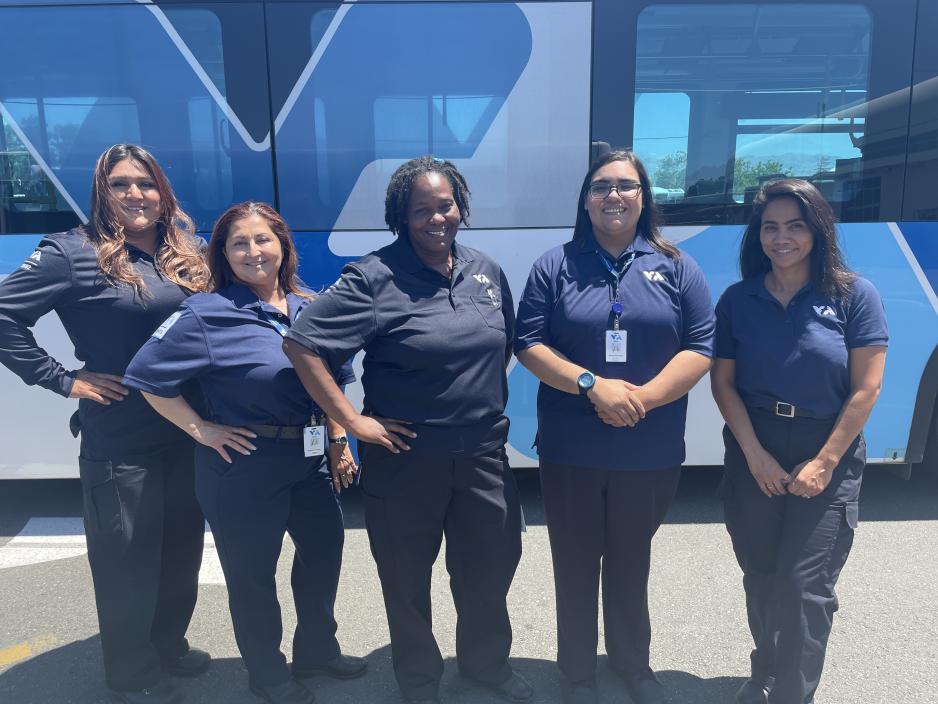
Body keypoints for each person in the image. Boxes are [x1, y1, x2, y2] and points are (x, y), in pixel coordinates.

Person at [281, 156, 531, 704]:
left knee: (489, 571)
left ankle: (486, 666)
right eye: (422, 210)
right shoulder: (374, 277)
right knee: (406, 582)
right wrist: (350, 420)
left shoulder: (485, 270)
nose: (437, 218)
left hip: (484, 457)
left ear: (460, 206)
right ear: (401, 215)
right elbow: (302, 343)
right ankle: (419, 682)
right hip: (407, 461)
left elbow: (504, 344)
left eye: (446, 206)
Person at [122, 202, 366, 704]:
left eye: (263, 240)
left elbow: (335, 385)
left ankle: (317, 650)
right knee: (253, 575)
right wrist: (202, 429)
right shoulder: (205, 313)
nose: (254, 252)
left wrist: (340, 440)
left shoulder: (308, 306)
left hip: (310, 457)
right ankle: (268, 673)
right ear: (224, 254)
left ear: (283, 245)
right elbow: (146, 376)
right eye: (240, 243)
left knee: (323, 555)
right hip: (242, 466)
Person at [0, 144, 211, 704]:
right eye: (121, 185)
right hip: (122, 436)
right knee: (127, 560)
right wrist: (63, 379)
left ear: (163, 191)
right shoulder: (72, 253)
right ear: (102, 192)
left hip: (189, 430)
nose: (136, 194)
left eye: (146, 183)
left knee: (180, 548)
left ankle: (168, 644)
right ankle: (133, 671)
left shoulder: (185, 254)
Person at [514, 149, 715, 704]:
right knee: (575, 563)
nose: (614, 196)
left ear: (644, 196)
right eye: (602, 187)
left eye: (626, 186)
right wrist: (591, 385)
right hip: (571, 447)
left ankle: (634, 667)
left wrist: (642, 399)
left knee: (631, 561)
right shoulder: (554, 265)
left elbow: (701, 346)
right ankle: (576, 674)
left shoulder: (676, 265)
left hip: (647, 448)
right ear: (586, 199)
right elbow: (528, 342)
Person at [710, 179, 887, 704]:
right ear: (757, 235)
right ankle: (763, 670)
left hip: (824, 446)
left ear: (817, 230)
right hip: (755, 445)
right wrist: (754, 454)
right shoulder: (739, 300)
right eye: (770, 227)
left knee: (803, 586)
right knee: (762, 577)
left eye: (794, 226)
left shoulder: (855, 296)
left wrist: (826, 461)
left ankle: (793, 693)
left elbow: (866, 386)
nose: (781, 238)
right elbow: (723, 383)